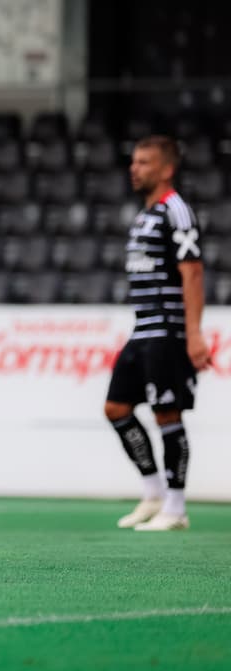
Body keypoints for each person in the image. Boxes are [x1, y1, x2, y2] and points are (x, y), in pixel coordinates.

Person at [107, 135, 209, 532]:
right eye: (134, 161)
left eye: (144, 162)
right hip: (143, 330)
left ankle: (176, 507)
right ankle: (153, 494)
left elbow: (193, 272)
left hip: (167, 330)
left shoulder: (175, 211)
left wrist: (193, 334)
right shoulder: (144, 216)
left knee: (167, 414)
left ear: (167, 169)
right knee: (116, 408)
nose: (135, 169)